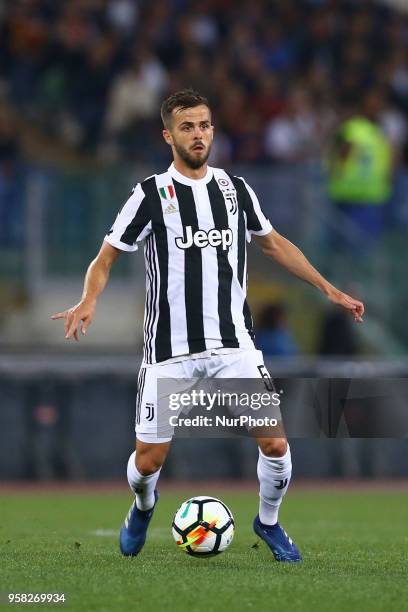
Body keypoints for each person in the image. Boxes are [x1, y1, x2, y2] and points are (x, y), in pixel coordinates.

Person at [51, 89, 364, 563]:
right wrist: (88, 298)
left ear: (213, 130)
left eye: (204, 125)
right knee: (148, 462)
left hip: (234, 345)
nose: (198, 135)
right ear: (168, 135)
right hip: (169, 350)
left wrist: (328, 288)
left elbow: (274, 244)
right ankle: (142, 505)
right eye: (187, 127)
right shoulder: (150, 195)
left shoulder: (236, 190)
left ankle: (269, 522)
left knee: (276, 444)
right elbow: (107, 255)